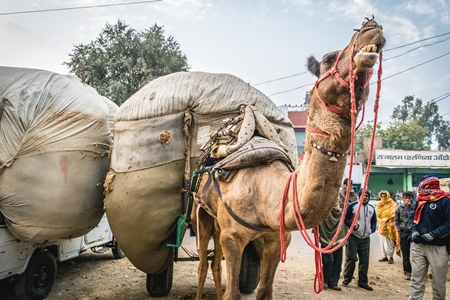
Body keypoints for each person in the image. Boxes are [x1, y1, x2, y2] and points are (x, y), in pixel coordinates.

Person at [408, 175, 450, 300]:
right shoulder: (420, 199)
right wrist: (414, 231)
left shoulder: (445, 200)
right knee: (416, 279)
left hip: (437, 247)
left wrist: (433, 234)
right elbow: (412, 218)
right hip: (418, 245)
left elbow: (449, 223)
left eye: (423, 184)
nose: (420, 186)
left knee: (438, 281)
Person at [342, 189, 377, 291]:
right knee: (351, 258)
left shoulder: (372, 208)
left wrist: (372, 229)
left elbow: (374, 220)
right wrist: (353, 226)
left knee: (364, 261)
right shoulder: (353, 206)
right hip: (353, 236)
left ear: (369, 197)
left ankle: (362, 282)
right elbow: (345, 218)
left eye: (366, 195)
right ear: (359, 196)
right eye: (363, 195)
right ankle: (347, 278)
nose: (365, 197)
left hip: (366, 238)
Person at [317, 201, 346, 291]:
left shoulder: (342, 211)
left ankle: (333, 283)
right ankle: (324, 281)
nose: (336, 206)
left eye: (337, 203)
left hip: (338, 239)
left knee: (337, 263)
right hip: (326, 239)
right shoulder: (324, 213)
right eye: (334, 204)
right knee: (328, 261)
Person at [376, 190, 401, 264]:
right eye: (382, 196)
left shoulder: (393, 204)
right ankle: (385, 256)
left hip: (390, 226)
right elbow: (378, 214)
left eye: (385, 196)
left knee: (390, 242)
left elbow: (393, 213)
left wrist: (386, 217)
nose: (383, 197)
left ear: (388, 196)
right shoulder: (379, 204)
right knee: (382, 242)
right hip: (381, 226)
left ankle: (391, 257)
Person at [394, 191, 414, 280]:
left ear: (412, 198)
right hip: (404, 233)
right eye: (406, 198)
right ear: (403, 198)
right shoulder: (399, 208)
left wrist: (410, 209)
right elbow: (396, 220)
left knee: (416, 254)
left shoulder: (416, 207)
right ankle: (407, 272)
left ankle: (416, 272)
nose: (407, 200)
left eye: (409, 198)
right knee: (405, 254)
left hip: (414, 232)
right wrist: (399, 229)